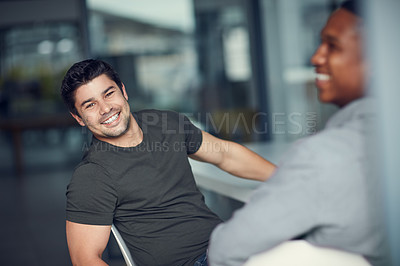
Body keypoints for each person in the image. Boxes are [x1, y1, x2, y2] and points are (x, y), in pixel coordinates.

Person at [208, 1, 387, 266]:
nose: (316, 57)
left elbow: (225, 251)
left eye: (333, 45)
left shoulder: (322, 157)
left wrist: (290, 180)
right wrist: (288, 180)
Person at [60, 59, 276, 266]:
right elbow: (85, 259)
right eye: (90, 105)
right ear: (79, 118)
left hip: (225, 246)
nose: (105, 108)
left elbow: (224, 154)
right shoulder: (92, 175)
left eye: (109, 94)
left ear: (123, 91)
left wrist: (286, 176)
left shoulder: (166, 124)